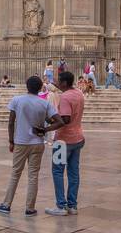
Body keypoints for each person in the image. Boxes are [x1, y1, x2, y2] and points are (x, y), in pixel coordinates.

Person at [0, 76, 57, 216]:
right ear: (39, 88)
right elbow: (57, 121)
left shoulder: (17, 100)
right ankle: (30, 208)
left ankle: (6, 204)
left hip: (21, 142)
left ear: (27, 86)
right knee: (33, 175)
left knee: (15, 173)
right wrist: (45, 130)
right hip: (37, 143)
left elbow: (11, 122)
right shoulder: (44, 103)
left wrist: (11, 141)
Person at [36, 70, 86, 216]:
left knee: (57, 172)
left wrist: (46, 129)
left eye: (58, 80)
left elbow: (65, 120)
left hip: (63, 141)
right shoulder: (78, 93)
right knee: (73, 172)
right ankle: (72, 205)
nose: (56, 82)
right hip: (78, 138)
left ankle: (61, 205)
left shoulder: (65, 97)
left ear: (64, 83)